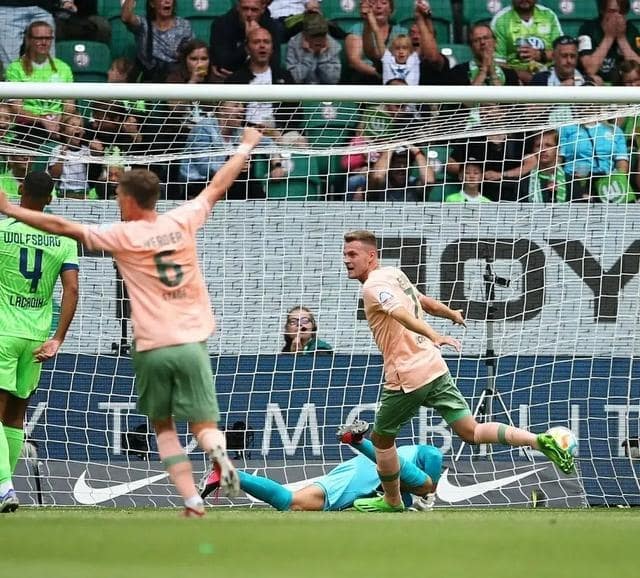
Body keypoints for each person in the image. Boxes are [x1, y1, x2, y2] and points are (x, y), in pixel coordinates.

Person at [0, 126, 265, 518]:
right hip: (192, 341)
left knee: (164, 427)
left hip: (150, 345)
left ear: (126, 199)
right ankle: (219, 458)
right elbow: (216, 186)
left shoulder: (122, 235)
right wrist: (245, 147)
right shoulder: (182, 220)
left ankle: (192, 499)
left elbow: (64, 226)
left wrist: (10, 211)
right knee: (203, 423)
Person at [341, 229, 575, 512]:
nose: (347, 260)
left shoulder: (372, 286)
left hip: (407, 374)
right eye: (345, 254)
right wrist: (450, 313)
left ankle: (392, 501)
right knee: (471, 431)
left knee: (381, 439)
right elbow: (422, 301)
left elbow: (399, 314)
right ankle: (538, 440)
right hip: (434, 366)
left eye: (352, 254)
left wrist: (433, 333)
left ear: (371, 256)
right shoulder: (394, 273)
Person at [0, 171, 79, 513]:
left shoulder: (2, 231)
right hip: (37, 339)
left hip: (3, 332)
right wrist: (57, 338)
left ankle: (3, 487)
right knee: (15, 416)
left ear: (20, 190)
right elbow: (72, 289)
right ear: (50, 198)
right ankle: (4, 487)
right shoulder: (64, 239)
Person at [200, 420, 441, 511]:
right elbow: (433, 454)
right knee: (292, 503)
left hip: (364, 469)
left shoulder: (408, 471)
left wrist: (418, 501)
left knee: (292, 504)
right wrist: (430, 494)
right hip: (362, 474)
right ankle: (357, 441)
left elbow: (401, 499)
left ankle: (228, 474)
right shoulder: (424, 458)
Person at [491, 0, 563, 84]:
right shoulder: (501, 20)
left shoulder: (548, 15)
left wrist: (540, 55)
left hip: (549, 77)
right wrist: (518, 74)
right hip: (516, 80)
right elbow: (498, 63)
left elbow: (562, 52)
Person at [121, 0, 193, 82]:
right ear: (152, 3)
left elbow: (190, 54)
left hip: (173, 80)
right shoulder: (143, 24)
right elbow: (126, 18)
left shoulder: (184, 26)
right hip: (149, 79)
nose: (167, 1)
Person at [578, 0, 640, 85]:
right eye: (612, 11)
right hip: (597, 85)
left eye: (621, 12)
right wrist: (609, 37)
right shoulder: (588, 29)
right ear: (602, 11)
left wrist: (622, 39)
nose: (618, 16)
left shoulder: (631, 30)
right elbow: (590, 69)